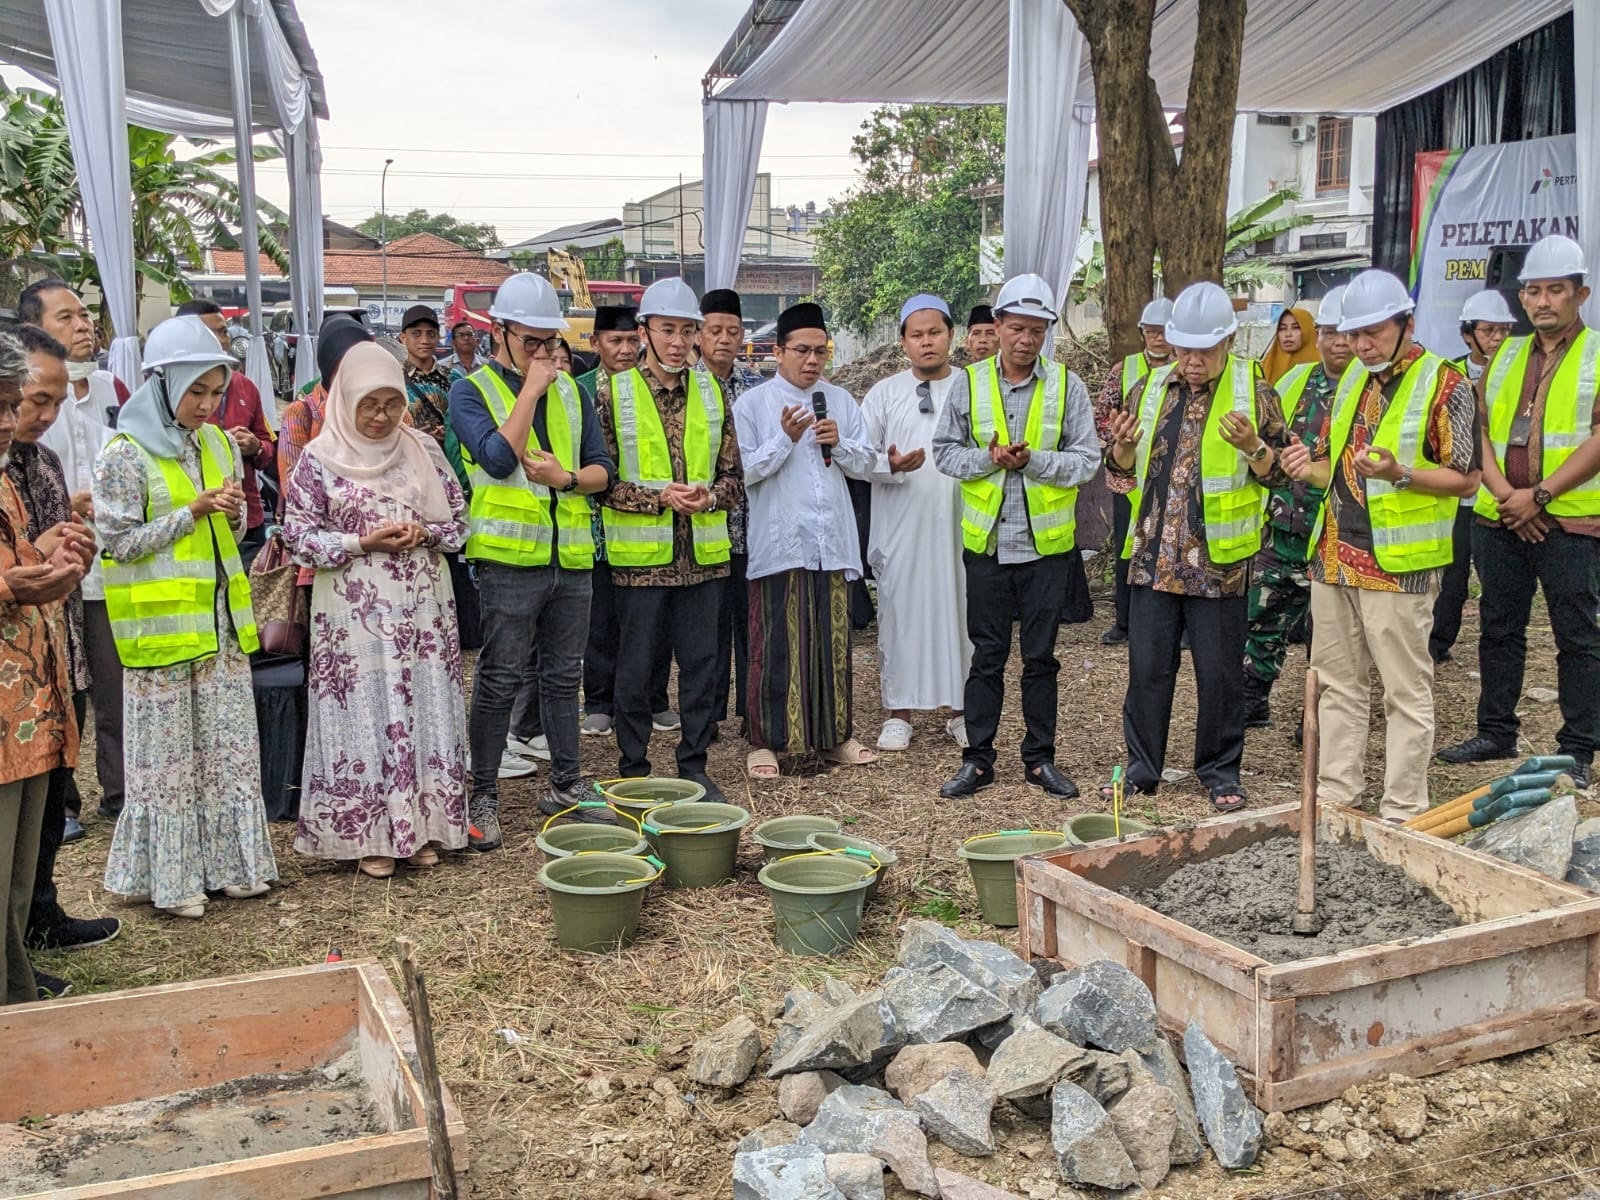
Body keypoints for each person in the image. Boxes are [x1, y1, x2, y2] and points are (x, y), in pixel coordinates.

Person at [94, 316, 278, 917]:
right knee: (170, 763)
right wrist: (192, 512)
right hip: (163, 635)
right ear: (162, 382)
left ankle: (233, 867)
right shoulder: (124, 454)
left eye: (216, 392)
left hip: (221, 627)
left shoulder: (219, 442)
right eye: (195, 390)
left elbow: (240, 526)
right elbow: (116, 542)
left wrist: (224, 513)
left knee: (226, 752)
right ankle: (173, 883)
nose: (206, 404)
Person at [1280, 269, 1479, 821]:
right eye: (1353, 334)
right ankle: (1337, 796)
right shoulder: (1352, 381)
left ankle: (1402, 808)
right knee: (1337, 686)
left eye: (1374, 333)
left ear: (1406, 323)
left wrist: (1401, 474)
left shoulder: (1446, 384)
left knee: (1404, 692)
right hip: (1334, 556)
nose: (1361, 344)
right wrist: (1306, 467)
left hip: (1399, 567)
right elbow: (1334, 472)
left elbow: (1466, 479)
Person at [1104, 281, 1292, 813]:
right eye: (1184, 347)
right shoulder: (1150, 388)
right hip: (1153, 556)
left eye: (1203, 350)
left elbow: (1279, 475)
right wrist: (1118, 451)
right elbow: (1121, 473)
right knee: (1148, 669)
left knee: (1220, 674)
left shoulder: (1253, 393)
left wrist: (1252, 447)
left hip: (1218, 563)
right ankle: (1143, 769)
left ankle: (1218, 770)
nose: (1191, 360)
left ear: (1229, 341)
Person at [284, 343, 470, 876]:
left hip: (422, 612)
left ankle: (424, 826)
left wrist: (423, 532)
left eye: (392, 402)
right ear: (345, 399)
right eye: (370, 403)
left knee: (421, 708)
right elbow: (297, 536)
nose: (382, 415)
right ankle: (369, 834)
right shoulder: (318, 459)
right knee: (364, 715)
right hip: (352, 615)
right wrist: (360, 543)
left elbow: (458, 525)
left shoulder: (423, 450)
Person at [449, 273, 615, 850]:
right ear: (500, 332)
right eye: (531, 341)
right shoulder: (471, 390)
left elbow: (601, 472)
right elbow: (496, 460)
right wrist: (530, 391)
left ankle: (567, 783)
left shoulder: (572, 392)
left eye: (551, 341)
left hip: (569, 558)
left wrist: (565, 480)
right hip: (506, 561)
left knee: (563, 676)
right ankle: (483, 794)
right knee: (498, 678)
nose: (545, 353)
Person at [930, 275, 1103, 798]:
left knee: (1040, 657)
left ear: (1048, 332)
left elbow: (1087, 459)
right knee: (986, 655)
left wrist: (1034, 463)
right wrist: (988, 459)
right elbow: (944, 452)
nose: (1026, 340)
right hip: (986, 546)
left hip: (1046, 549)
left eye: (1037, 330)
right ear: (998, 327)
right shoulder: (969, 382)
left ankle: (1039, 759)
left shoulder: (1068, 385)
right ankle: (978, 759)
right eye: (1017, 328)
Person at [1437, 235, 1600, 789]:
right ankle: (1495, 730)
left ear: (1581, 294)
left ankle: (1577, 748)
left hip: (1571, 522)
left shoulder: (1597, 353)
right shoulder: (1503, 354)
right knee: (1499, 627)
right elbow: (1479, 428)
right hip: (1501, 517)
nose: (1543, 301)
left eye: (1557, 290)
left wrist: (1542, 495)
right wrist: (1508, 494)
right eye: (1533, 291)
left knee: (1577, 637)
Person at [596, 279, 743, 802]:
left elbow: (734, 478)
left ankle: (694, 765)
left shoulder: (713, 391)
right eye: (668, 330)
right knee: (636, 669)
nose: (679, 342)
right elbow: (602, 481)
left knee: (704, 667)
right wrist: (658, 500)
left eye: (687, 331)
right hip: (641, 560)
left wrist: (710, 498)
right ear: (644, 333)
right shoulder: (611, 392)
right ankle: (633, 767)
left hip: (704, 558)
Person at [8, 329, 117, 1001]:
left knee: (33, 827)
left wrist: (65, 550)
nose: (37, 414)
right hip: (15, 675)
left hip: (41, 665)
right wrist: (29, 564)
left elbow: (41, 559)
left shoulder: (36, 465)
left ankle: (24, 945)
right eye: (31, 399)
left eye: (51, 400)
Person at [737, 302, 877, 777]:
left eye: (821, 351)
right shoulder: (752, 405)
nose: (813, 360)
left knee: (833, 643)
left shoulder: (839, 400)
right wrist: (783, 439)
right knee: (774, 643)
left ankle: (835, 736)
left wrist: (839, 443)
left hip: (830, 541)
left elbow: (866, 463)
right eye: (802, 350)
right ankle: (765, 743)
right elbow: (742, 472)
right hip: (780, 543)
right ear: (778, 351)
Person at [0, 331, 86, 1003]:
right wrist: (15, 585)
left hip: (26, 710)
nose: (11, 420)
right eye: (3, 404)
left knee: (16, 869)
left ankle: (15, 987)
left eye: (13, 404)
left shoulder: (9, 477)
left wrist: (40, 550)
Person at [25, 279, 127, 820]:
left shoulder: (115, 390)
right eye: (65, 317)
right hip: (42, 571)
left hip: (105, 566)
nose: (83, 325)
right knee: (60, 691)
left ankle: (120, 796)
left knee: (113, 687)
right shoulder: (20, 404)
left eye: (85, 315)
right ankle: (59, 806)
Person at [862, 294, 972, 754]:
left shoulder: (975, 386)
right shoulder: (883, 394)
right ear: (903, 341)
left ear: (951, 336)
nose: (927, 342)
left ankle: (963, 710)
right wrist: (890, 464)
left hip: (962, 522)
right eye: (917, 335)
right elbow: (856, 457)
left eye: (935, 333)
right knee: (900, 613)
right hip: (901, 524)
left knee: (964, 612)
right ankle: (898, 712)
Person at [1241, 286, 1350, 728]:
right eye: (1329, 332)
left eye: (1347, 333)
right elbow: (1269, 442)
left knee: (1327, 638)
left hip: (1336, 535)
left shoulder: (1370, 389)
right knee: (1261, 617)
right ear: (1318, 335)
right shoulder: (1293, 381)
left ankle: (1320, 722)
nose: (1338, 341)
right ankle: (1250, 700)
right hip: (1283, 525)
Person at [570, 306, 674, 737]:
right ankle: (599, 700)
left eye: (633, 340)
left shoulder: (656, 388)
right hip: (593, 523)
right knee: (603, 617)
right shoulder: (575, 391)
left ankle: (654, 698)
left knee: (652, 619)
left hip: (647, 525)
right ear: (595, 344)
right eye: (615, 341)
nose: (626, 350)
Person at [1431, 289, 1517, 664]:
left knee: (1499, 580)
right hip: (1459, 495)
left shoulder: (1518, 374)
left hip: (1499, 494)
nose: (1496, 338)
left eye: (1502, 330)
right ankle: (1437, 642)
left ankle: (1498, 643)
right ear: (1468, 334)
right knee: (1451, 575)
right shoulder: (1449, 375)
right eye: (1488, 330)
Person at [699, 288, 764, 729]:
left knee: (752, 624)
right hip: (703, 529)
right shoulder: (684, 385)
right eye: (715, 330)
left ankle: (751, 711)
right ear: (699, 334)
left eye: (733, 331)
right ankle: (708, 713)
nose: (724, 339)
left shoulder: (756, 387)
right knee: (707, 630)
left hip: (750, 527)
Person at [1094, 297, 1174, 646]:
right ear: (1143, 334)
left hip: (1172, 477)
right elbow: (1101, 417)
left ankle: (1176, 625)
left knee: (1172, 547)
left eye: (1165, 332)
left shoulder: (1187, 368)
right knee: (1129, 548)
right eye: (1152, 332)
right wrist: (1116, 438)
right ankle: (1124, 621)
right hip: (1127, 478)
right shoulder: (1122, 370)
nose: (1158, 339)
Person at [177, 300, 277, 563]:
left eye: (225, 332)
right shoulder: (168, 395)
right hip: (189, 520)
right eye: (215, 333)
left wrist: (255, 446)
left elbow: (268, 448)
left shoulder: (245, 387)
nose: (224, 340)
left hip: (245, 515)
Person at [1260, 307, 1319, 384]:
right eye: (1282, 328)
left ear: (1308, 330)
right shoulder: (1268, 365)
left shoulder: (1324, 368)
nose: (1288, 334)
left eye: (1296, 328)